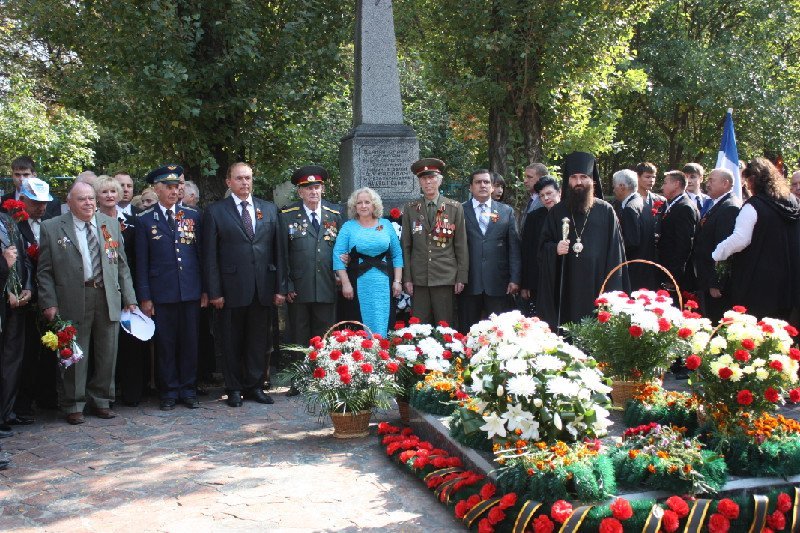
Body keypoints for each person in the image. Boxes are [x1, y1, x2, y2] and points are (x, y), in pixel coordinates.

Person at [37, 181, 137, 424]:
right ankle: (73, 404)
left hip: (106, 295)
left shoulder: (110, 224)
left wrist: (130, 298)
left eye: (91, 198)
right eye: (82, 199)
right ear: (69, 202)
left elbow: (121, 265)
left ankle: (102, 400)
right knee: (75, 353)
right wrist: (49, 303)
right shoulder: (52, 227)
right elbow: (44, 271)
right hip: (72, 297)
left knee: (107, 351)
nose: (88, 203)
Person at [203, 162, 286, 407]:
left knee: (258, 341)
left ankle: (255, 386)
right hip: (230, 290)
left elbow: (278, 252)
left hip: (262, 288)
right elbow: (209, 256)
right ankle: (234, 388)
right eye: (239, 178)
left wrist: (280, 287)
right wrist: (214, 291)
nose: (244, 183)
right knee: (231, 341)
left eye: (248, 178)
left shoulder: (269, 209)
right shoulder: (216, 211)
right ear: (229, 182)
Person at [136, 165, 205, 410]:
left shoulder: (193, 216)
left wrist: (204, 290)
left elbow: (200, 256)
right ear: (157, 189)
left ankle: (188, 389)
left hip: (189, 290)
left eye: (177, 187)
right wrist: (144, 296)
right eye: (168, 187)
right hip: (162, 293)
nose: (174, 191)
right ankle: (168, 391)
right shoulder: (144, 220)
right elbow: (141, 263)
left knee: (189, 342)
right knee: (165, 344)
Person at [537, 152, 627, 330]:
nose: (578, 182)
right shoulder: (557, 211)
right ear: (567, 180)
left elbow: (616, 254)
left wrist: (611, 293)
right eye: (573, 177)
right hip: (566, 286)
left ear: (592, 180)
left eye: (583, 177)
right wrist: (554, 249)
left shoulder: (606, 211)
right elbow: (542, 247)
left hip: (597, 283)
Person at [712, 158, 800, 321]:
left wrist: (717, 253)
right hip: (788, 283)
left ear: (753, 180)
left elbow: (740, 239)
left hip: (758, 284)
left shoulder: (754, 205)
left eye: (747, 181)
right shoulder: (793, 203)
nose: (746, 186)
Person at [400, 158, 468, 326]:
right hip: (419, 277)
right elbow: (406, 246)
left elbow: (461, 245)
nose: (428, 182)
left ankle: (449, 353)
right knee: (418, 326)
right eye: (424, 178)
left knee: (446, 325)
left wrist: (461, 277)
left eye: (432, 177)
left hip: (445, 276)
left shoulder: (454, 207)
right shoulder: (410, 208)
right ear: (419, 182)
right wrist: (407, 278)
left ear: (440, 180)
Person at [280, 166, 342, 346]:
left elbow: (341, 249)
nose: (313, 191)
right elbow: (282, 254)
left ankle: (322, 373)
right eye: (308, 188)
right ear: (300, 192)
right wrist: (287, 284)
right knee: (299, 336)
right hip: (298, 287)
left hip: (326, 284)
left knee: (325, 336)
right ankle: (300, 373)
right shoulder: (287, 216)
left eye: (317, 187)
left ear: (322, 189)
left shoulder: (335, 215)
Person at [15, 178, 59, 418]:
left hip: (48, 294)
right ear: (23, 200)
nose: (41, 207)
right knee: (26, 351)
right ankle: (21, 401)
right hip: (24, 297)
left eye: (44, 203)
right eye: (35, 203)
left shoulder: (52, 224)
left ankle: (47, 396)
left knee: (51, 346)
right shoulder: (14, 224)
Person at [333, 188, 402, 337]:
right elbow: (337, 256)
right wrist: (345, 283)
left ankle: (383, 355)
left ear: (374, 205)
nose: (363, 206)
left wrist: (398, 281)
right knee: (359, 327)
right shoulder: (348, 227)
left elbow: (397, 255)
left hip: (385, 283)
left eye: (367, 202)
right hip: (357, 284)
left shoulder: (386, 225)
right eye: (359, 203)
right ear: (354, 206)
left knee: (384, 325)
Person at [458, 170, 520, 331]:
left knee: (498, 331)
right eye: (478, 182)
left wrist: (515, 278)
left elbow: (513, 247)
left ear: (492, 187)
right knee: (467, 330)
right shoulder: (459, 211)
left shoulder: (506, 211)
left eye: (486, 182)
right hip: (469, 282)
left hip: (498, 281)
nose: (483, 185)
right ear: (471, 187)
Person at [0, 203, 33, 435]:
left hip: (18, 305)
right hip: (4, 301)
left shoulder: (8, 221)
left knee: (12, 360)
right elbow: (7, 262)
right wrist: (5, 291)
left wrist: (28, 288)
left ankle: (6, 412)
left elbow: (24, 259)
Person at [692, 168, 741, 323]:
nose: (708, 184)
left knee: (715, 319)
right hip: (705, 275)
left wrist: (716, 283)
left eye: (712, 180)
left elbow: (725, 247)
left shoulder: (729, 207)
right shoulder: (718, 204)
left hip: (714, 281)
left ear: (725, 183)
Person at [520, 176, 560, 309]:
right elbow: (527, 251)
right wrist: (525, 284)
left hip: (563, 275)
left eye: (549, 194)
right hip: (539, 278)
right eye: (542, 196)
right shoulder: (533, 218)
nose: (546, 198)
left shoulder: (570, 214)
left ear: (559, 192)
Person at [656, 170, 699, 291]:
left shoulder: (685, 207)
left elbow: (684, 244)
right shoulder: (671, 205)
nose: (662, 186)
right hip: (665, 267)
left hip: (674, 274)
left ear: (676, 184)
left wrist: (673, 275)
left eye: (665, 183)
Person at [611, 169, 654, 290]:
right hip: (645, 267)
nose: (613, 190)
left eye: (614, 186)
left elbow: (632, 241)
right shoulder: (641, 202)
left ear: (622, 186)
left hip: (635, 268)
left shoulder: (630, 208)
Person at [520, 163, 547, 229]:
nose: (525, 181)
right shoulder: (532, 199)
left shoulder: (546, 201)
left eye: (529, 177)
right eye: (525, 177)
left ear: (541, 178)